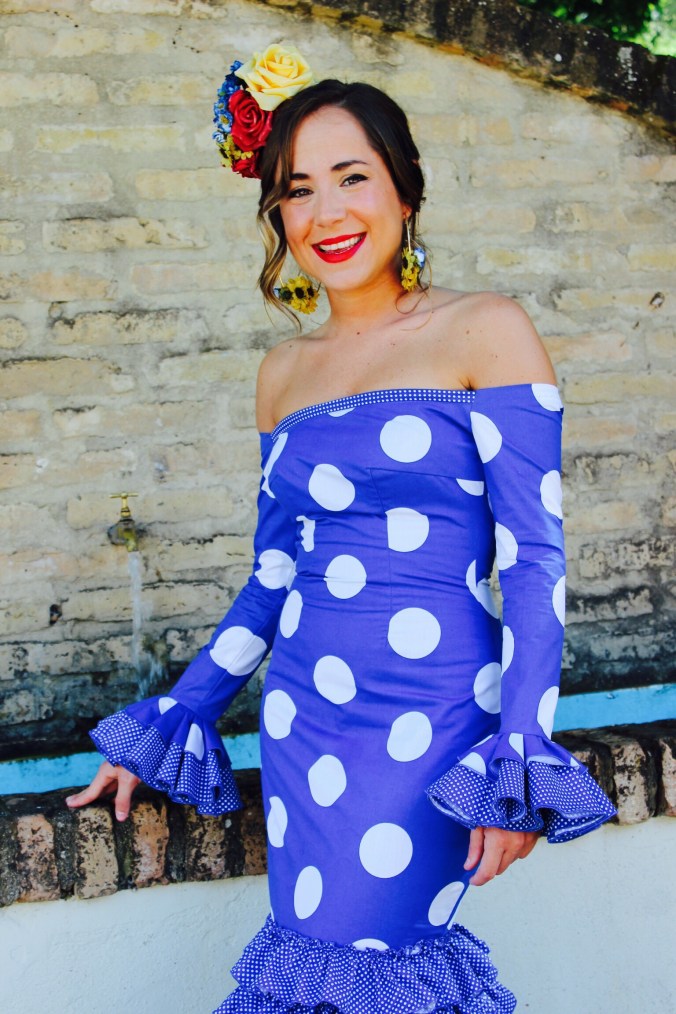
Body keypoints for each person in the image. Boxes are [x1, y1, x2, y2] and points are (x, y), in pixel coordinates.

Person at [66, 45, 616, 1014]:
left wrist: (521, 754)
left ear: (405, 187)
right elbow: (274, 575)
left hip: (433, 716)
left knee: (375, 968)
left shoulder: (485, 329)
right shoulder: (282, 375)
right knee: (314, 961)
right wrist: (175, 717)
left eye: (352, 177)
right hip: (303, 718)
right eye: (297, 189)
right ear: (276, 213)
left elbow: (533, 561)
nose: (326, 213)